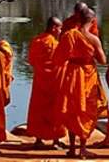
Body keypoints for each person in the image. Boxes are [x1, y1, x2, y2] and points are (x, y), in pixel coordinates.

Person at [54, 9, 107, 159]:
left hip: (72, 74)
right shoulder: (93, 38)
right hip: (88, 73)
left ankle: (72, 148)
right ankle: (82, 148)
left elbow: (58, 59)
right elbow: (103, 60)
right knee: (86, 110)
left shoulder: (69, 35)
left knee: (72, 109)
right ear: (92, 21)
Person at [26, 17, 66, 148]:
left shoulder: (37, 41)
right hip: (54, 82)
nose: (61, 31)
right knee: (55, 110)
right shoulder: (54, 44)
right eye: (60, 28)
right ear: (54, 28)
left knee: (38, 109)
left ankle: (38, 140)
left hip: (40, 81)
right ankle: (55, 140)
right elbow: (62, 62)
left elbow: (31, 61)